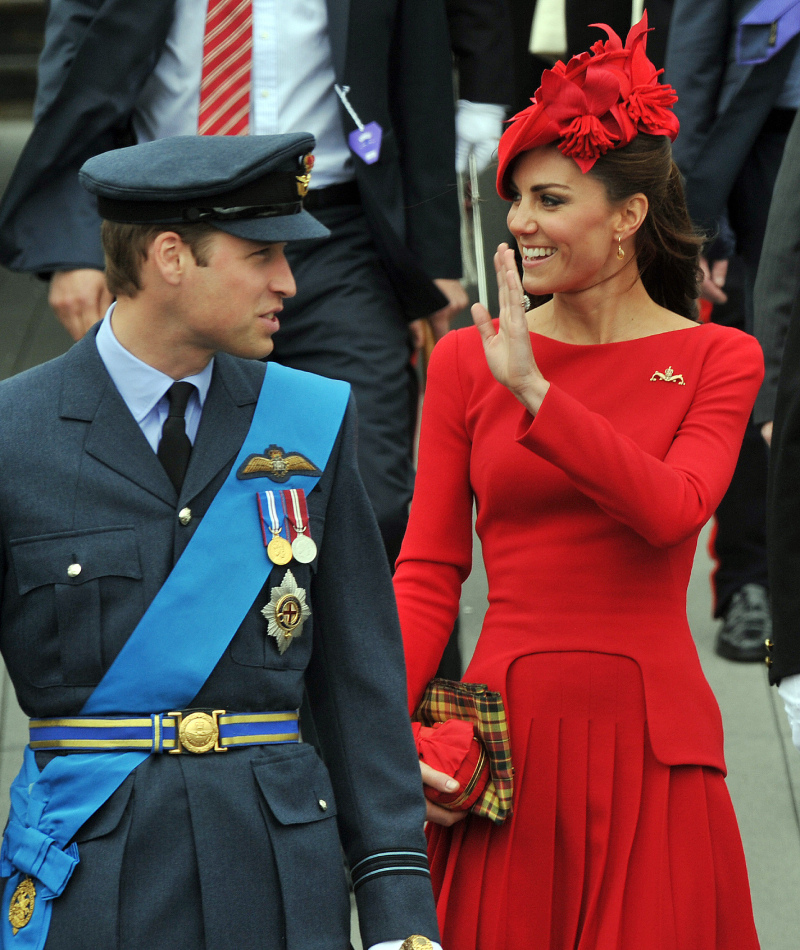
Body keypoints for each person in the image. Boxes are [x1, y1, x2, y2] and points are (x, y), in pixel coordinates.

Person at [0, 133, 440, 950]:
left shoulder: (312, 421)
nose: (289, 282)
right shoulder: (12, 435)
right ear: (172, 256)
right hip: (90, 885)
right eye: (264, 252)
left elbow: (359, 690)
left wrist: (397, 917)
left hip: (278, 884)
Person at [393, 16, 764, 949]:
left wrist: (536, 392)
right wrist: (384, 739)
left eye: (549, 199)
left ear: (628, 216)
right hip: (502, 747)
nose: (520, 223)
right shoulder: (464, 365)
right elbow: (428, 572)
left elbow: (671, 508)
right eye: (515, 199)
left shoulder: (720, 357)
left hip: (654, 741)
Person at [0, 0, 466, 567]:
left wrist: (435, 258)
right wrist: (75, 246)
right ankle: (226, 648)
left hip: (334, 228)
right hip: (171, 228)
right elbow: (76, 66)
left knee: (373, 496)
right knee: (164, 494)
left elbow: (420, 75)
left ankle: (342, 651)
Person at [663, 0, 800, 661]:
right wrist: (695, 219)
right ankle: (752, 580)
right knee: (758, 361)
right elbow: (692, 58)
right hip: (765, 138)